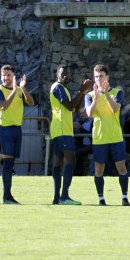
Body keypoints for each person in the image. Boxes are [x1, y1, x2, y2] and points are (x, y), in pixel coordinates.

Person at [87, 65, 130, 206]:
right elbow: (90, 114)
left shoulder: (118, 93)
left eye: (101, 76)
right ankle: (101, 199)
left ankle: (124, 197)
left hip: (116, 137)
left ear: (107, 77)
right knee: (99, 169)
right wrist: (97, 97)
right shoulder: (90, 95)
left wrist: (105, 94)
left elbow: (114, 109)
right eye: (96, 76)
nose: (98, 79)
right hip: (99, 138)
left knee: (121, 168)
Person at [49, 65, 93, 205]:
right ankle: (64, 196)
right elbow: (69, 106)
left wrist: (83, 92)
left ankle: (57, 198)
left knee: (58, 162)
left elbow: (75, 108)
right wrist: (80, 91)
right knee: (70, 160)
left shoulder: (63, 89)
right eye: (63, 74)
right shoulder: (58, 87)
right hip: (62, 130)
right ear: (57, 74)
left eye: (67, 74)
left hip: (59, 130)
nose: (66, 76)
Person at [0, 64, 35, 205]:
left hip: (17, 128)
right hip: (5, 128)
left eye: (9, 75)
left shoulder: (18, 89)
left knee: (10, 163)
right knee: (8, 162)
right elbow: (3, 106)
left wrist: (22, 88)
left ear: (14, 76)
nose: (6, 77)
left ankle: (8, 196)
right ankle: (6, 196)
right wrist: (15, 89)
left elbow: (31, 102)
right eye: (3, 75)